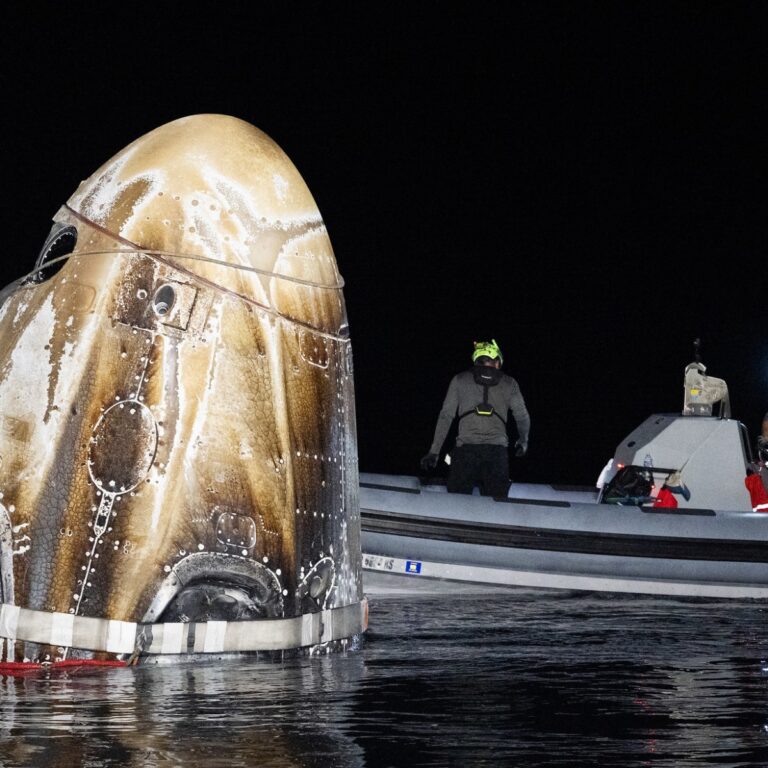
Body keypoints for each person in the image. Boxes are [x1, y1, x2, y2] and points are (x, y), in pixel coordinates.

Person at [420, 339, 530, 497]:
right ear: (497, 361)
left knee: (458, 502)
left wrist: (434, 452)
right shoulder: (509, 383)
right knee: (497, 505)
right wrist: (523, 440)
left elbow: (446, 416)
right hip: (496, 453)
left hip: (465, 452)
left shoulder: (459, 379)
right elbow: (522, 416)